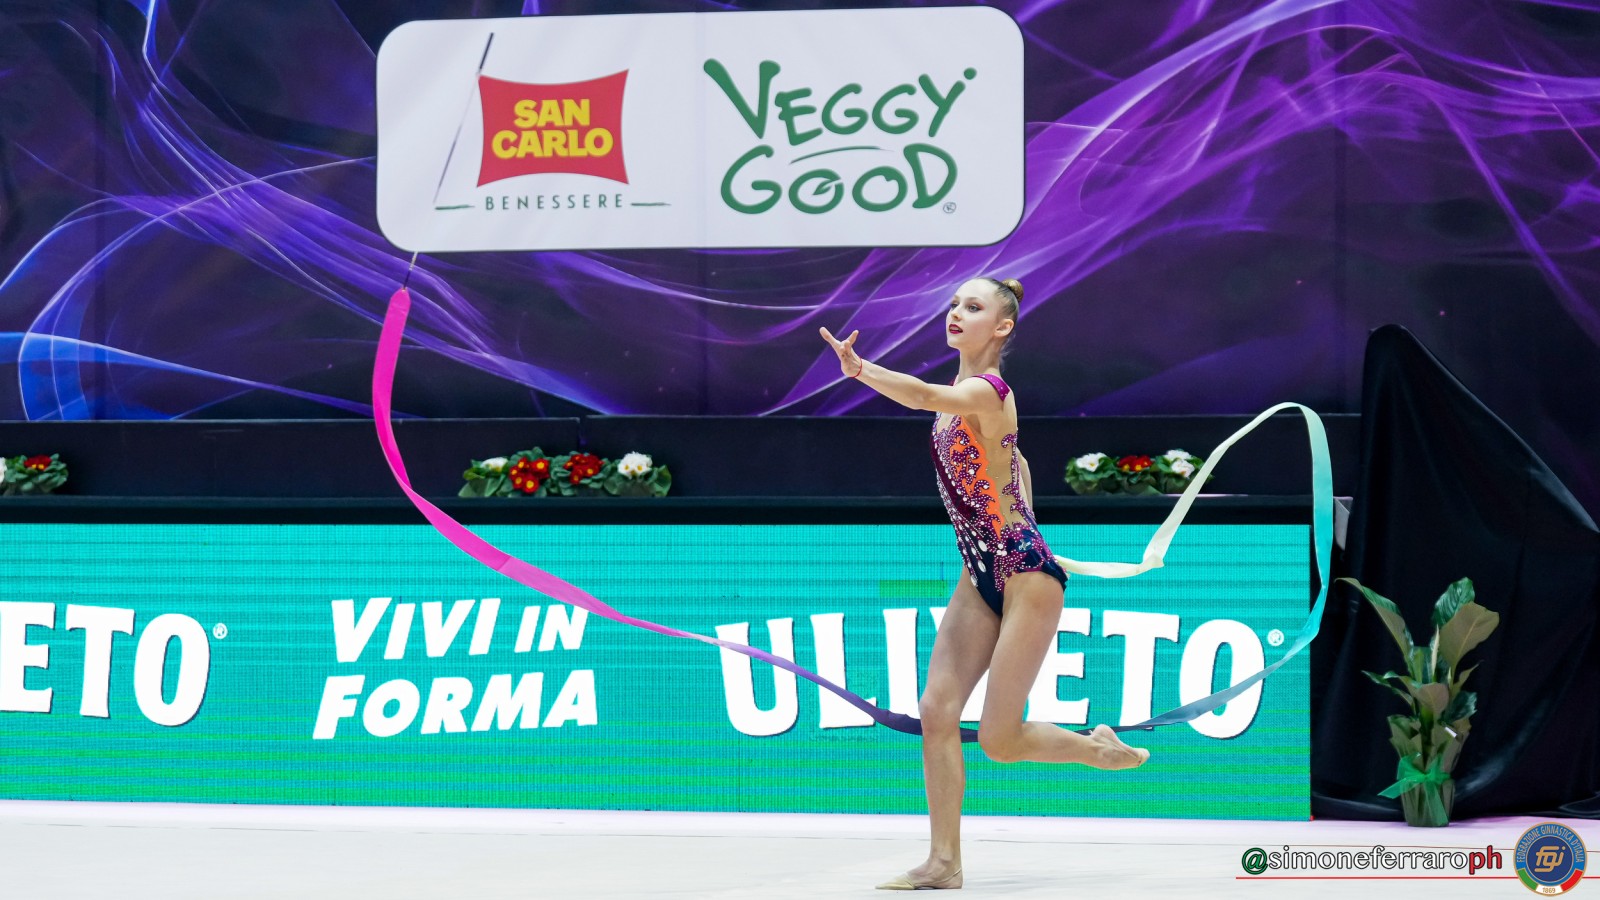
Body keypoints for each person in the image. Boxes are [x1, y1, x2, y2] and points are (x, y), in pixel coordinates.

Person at [820, 276, 1150, 892]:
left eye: (972, 307)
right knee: (936, 709)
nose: (955, 313)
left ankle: (1095, 748)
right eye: (953, 304)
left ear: (1002, 327)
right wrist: (1007, 513)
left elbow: (923, 395)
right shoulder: (968, 405)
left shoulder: (987, 390)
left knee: (999, 740)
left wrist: (860, 369)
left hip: (1024, 575)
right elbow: (1014, 470)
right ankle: (943, 861)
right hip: (980, 570)